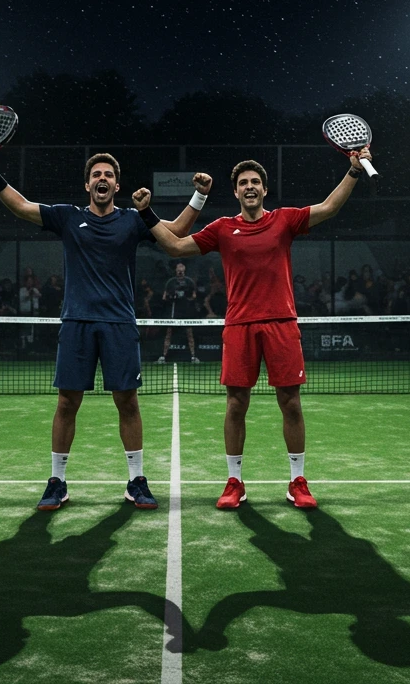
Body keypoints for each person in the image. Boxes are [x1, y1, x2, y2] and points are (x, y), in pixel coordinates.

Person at [0, 147, 210, 511]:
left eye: (108, 175)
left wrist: (200, 195)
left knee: (127, 402)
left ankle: (136, 480)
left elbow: (177, 232)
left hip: (119, 324)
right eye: (96, 175)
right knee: (67, 403)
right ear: (87, 185)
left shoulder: (133, 220)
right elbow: (20, 206)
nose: (102, 179)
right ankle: (57, 482)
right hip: (77, 323)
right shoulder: (68, 217)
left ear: (117, 185)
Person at [137, 147, 372, 510]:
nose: (250, 187)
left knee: (291, 403)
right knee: (235, 405)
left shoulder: (284, 220)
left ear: (264, 189)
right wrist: (145, 213)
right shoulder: (222, 229)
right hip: (239, 326)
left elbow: (328, 207)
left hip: (281, 324)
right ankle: (235, 482)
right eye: (244, 183)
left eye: (255, 182)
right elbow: (176, 247)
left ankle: (298, 481)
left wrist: (353, 171)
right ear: (235, 192)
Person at [158, 262, 199, 364]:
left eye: (182, 270)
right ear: (176, 270)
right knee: (168, 334)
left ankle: (193, 357)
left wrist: (187, 299)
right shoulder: (171, 282)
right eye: (178, 270)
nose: (180, 271)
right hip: (173, 312)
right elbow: (164, 297)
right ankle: (163, 356)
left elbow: (194, 296)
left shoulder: (189, 282)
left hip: (186, 312)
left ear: (184, 270)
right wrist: (172, 297)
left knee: (189, 334)